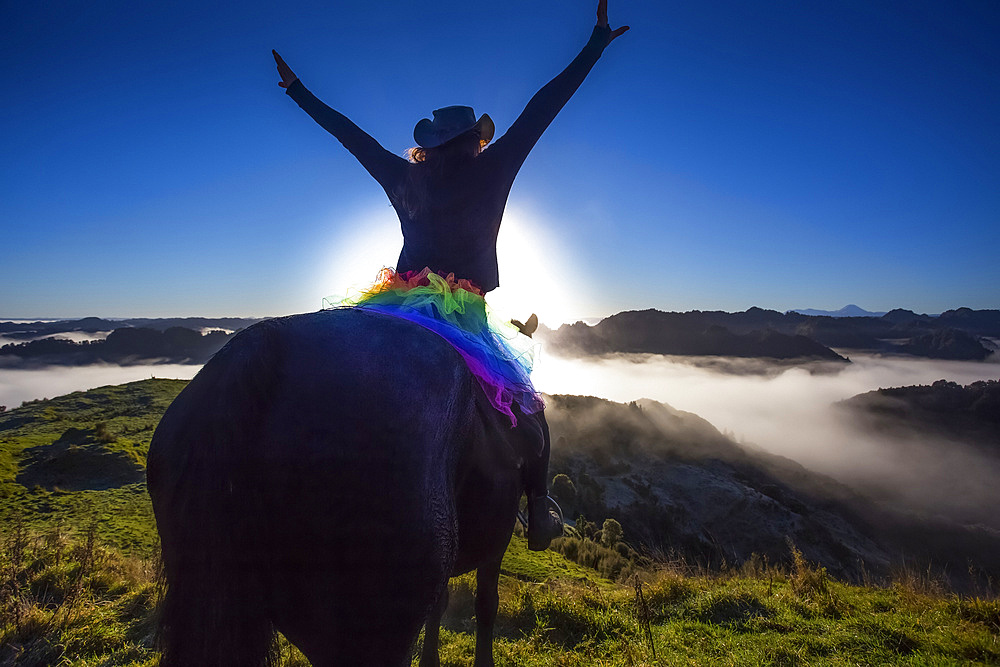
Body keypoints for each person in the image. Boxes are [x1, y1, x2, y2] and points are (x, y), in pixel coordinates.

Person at [274, 1, 627, 550]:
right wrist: (594, 47)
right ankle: (538, 512)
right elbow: (541, 109)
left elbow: (352, 136)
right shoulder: (491, 170)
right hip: (460, 313)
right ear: (474, 141)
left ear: (429, 147)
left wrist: (297, 92)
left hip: (397, 304)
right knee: (527, 407)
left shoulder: (402, 177)